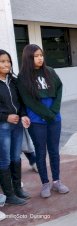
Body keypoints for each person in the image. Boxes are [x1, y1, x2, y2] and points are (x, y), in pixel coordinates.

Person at [17, 44, 69, 198]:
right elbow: (28, 101)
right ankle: (45, 183)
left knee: (54, 151)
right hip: (37, 121)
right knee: (40, 152)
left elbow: (59, 89)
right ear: (28, 58)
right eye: (36, 56)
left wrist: (53, 111)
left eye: (41, 55)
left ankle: (57, 181)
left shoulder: (50, 71)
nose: (40, 58)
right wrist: (47, 114)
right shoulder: (23, 78)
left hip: (54, 118)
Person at [0, 49, 30, 205]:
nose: (6, 64)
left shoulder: (13, 80)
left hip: (17, 125)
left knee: (16, 158)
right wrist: (5, 117)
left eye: (8, 61)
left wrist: (23, 115)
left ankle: (18, 189)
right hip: (2, 126)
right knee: (4, 160)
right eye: (2, 61)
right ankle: (9, 194)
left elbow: (21, 102)